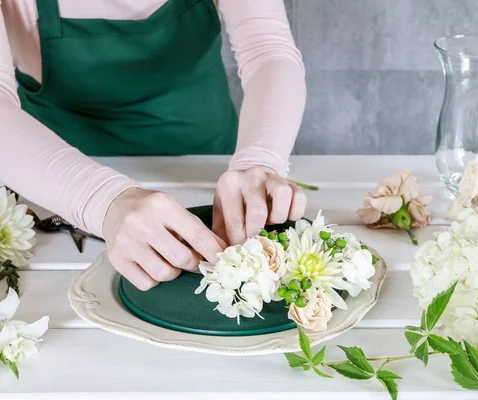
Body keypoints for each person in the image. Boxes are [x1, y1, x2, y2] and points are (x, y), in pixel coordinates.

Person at [0, 0, 307, 290]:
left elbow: (267, 49)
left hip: (203, 154)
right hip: (49, 173)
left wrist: (259, 159)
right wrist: (98, 198)